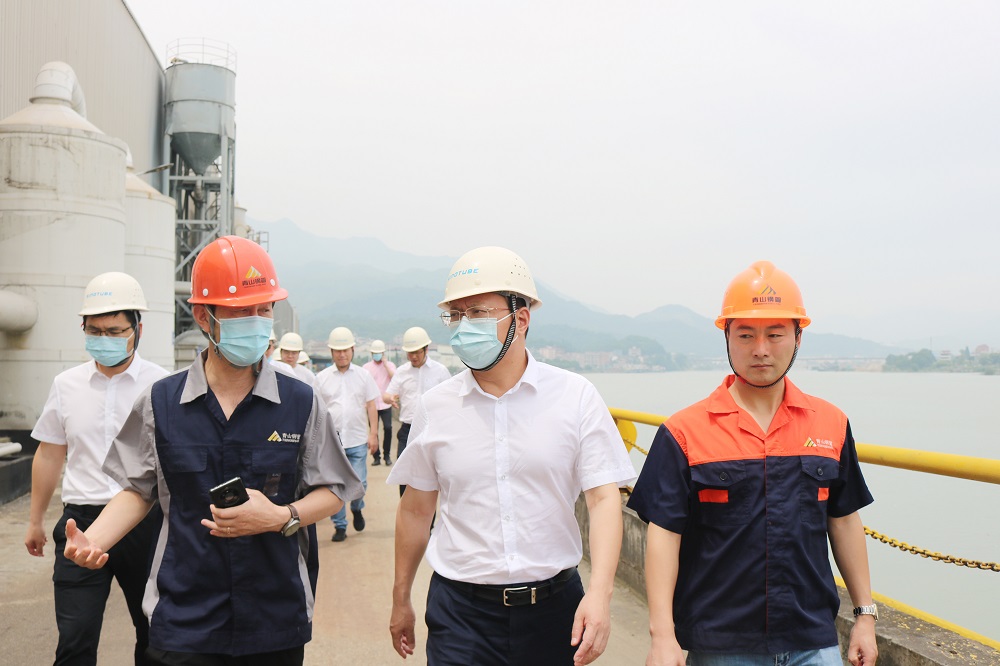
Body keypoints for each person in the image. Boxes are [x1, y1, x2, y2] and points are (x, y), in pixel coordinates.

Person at [61, 236, 364, 665]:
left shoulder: (300, 402)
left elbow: (334, 489)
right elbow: (137, 490)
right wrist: (94, 540)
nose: (257, 322)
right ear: (204, 316)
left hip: (273, 613)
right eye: (241, 311)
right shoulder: (161, 403)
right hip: (185, 615)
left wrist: (281, 516)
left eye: (264, 310)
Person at [387, 247, 636, 666]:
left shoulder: (574, 397)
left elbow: (603, 499)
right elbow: (415, 510)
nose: (464, 326)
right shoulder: (436, 406)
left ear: (521, 319)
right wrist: (400, 599)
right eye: (456, 314)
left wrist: (600, 594)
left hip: (555, 611)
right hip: (460, 615)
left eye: (478, 312)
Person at [627, 261, 878, 666]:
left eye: (775, 334)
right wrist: (662, 635)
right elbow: (664, 535)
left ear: (798, 337)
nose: (761, 349)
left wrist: (864, 616)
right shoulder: (684, 432)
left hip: (813, 641)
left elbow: (844, 520)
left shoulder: (830, 423)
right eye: (745, 335)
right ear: (726, 336)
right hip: (721, 645)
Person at [24, 271, 168, 666]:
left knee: (155, 635)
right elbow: (49, 454)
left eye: (114, 331)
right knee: (75, 641)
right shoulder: (66, 384)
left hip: (145, 525)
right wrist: (35, 520)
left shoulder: (162, 386)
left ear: (138, 330)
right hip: (80, 523)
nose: (104, 339)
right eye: (95, 331)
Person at [314, 326, 380, 542]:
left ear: (352, 350)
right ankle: (340, 525)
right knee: (335, 487)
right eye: (337, 350)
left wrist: (373, 434)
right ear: (331, 352)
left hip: (357, 439)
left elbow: (371, 405)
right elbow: (316, 411)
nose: (342, 354)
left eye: (345, 350)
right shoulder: (321, 378)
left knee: (360, 484)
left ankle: (357, 507)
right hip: (332, 443)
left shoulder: (363, 376)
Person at [382, 326, 450, 496]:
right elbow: (387, 395)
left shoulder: (440, 371)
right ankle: (406, 509)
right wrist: (390, 398)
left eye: (417, 352)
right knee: (405, 475)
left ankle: (430, 514)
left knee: (431, 477)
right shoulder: (401, 372)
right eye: (410, 353)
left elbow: (450, 399)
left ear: (426, 349)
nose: (413, 356)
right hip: (407, 430)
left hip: (432, 430)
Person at [362, 339, 397, 466]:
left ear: (383, 353)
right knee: (374, 430)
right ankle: (376, 457)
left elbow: (395, 378)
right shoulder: (366, 368)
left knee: (388, 428)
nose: (377, 355)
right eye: (375, 353)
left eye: (379, 353)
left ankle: (387, 455)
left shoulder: (390, 365)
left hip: (385, 403)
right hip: (372, 405)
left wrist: (386, 365)